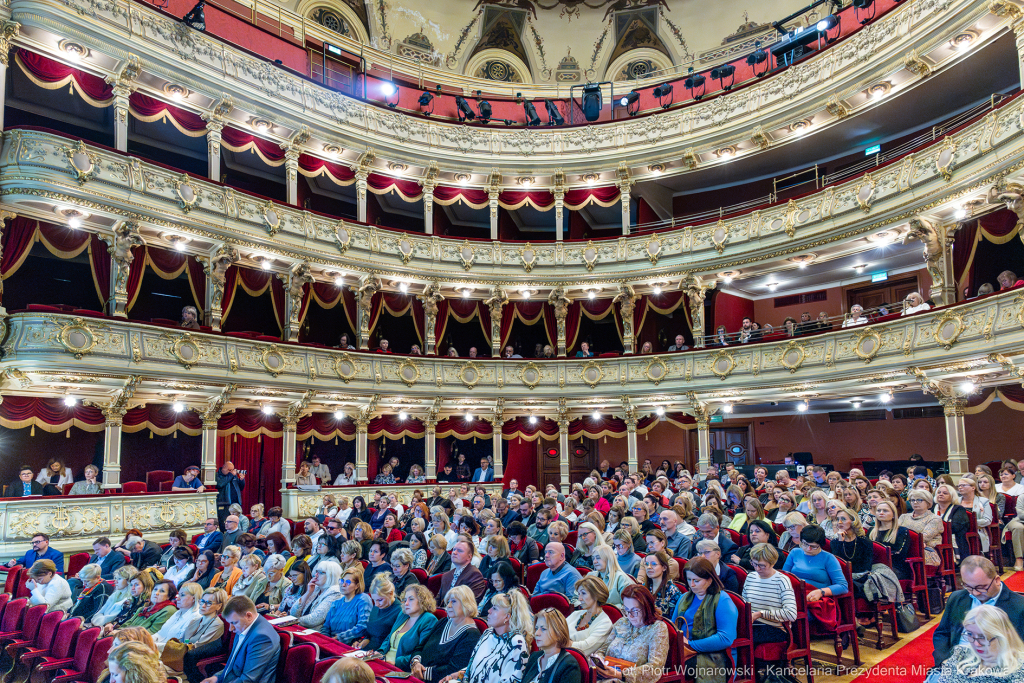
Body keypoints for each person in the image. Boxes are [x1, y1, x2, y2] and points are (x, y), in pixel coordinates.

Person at [933, 556, 1024, 670]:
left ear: (997, 580)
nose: (975, 593)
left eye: (981, 587)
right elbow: (942, 633)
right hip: (954, 663)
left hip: (997, 667)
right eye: (968, 586)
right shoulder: (957, 598)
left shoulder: (1019, 606)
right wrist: (943, 661)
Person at [669, 557, 738, 683]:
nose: (692, 584)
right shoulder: (685, 597)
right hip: (683, 649)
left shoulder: (723, 600)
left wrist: (690, 645)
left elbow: (725, 638)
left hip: (712, 655)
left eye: (697, 580)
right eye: (689, 580)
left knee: (670, 669)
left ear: (710, 580)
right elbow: (673, 626)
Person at [449, 590, 531, 683]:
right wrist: (458, 675)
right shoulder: (488, 633)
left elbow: (511, 680)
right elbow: (475, 668)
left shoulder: (517, 643)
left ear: (507, 617)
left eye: (495, 608)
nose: (489, 611)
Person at [593, 584, 669, 683]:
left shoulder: (658, 628)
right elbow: (602, 651)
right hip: (605, 676)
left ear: (647, 608)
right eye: (626, 610)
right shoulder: (622, 622)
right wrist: (600, 664)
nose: (630, 615)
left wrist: (621, 675)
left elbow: (655, 668)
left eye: (635, 610)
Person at [198, 596, 281, 683]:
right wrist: (216, 678)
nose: (231, 629)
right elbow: (232, 665)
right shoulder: (244, 625)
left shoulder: (262, 638)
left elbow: (248, 680)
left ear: (248, 615)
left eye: (234, 622)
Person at [782, 525, 848, 633]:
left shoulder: (828, 558)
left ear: (821, 544)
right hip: (794, 595)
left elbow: (843, 586)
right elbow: (784, 576)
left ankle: (795, 643)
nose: (808, 548)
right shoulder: (795, 553)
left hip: (815, 600)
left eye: (813, 546)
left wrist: (821, 592)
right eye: (804, 544)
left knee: (791, 612)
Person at [409, 586, 482, 683]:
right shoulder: (443, 622)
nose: (449, 606)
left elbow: (454, 669)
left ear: (466, 604)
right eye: (448, 602)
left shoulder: (471, 634)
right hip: (416, 676)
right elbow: (419, 648)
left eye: (454, 601)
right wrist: (415, 663)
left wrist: (421, 673)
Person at [742, 544, 797, 656]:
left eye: (762, 566)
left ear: (772, 563)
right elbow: (744, 605)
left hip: (775, 628)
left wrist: (761, 614)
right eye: (754, 564)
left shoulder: (782, 580)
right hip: (754, 625)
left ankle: (747, 672)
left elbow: (791, 614)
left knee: (741, 637)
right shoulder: (751, 577)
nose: (757, 568)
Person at [378, 584, 438, 667]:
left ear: (422, 600)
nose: (406, 603)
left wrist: (396, 662)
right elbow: (389, 636)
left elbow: (423, 652)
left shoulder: (428, 619)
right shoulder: (403, 614)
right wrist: (380, 652)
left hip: (401, 667)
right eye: (405, 600)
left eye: (411, 599)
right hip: (384, 661)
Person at [523, 608, 583, 683]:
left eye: (543, 629)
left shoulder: (569, 665)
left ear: (558, 633)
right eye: (536, 628)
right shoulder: (534, 657)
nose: (537, 633)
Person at [564, 574, 615, 656]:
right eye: (579, 594)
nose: (579, 598)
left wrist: (561, 643)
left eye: (583, 593)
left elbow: (585, 648)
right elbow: (557, 632)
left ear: (596, 595)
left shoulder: (605, 623)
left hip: (578, 663)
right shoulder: (576, 614)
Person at [293, 560, 344, 630]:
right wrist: (308, 593)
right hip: (302, 628)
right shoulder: (315, 588)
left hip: (318, 634)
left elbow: (315, 619)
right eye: (316, 572)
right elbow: (293, 612)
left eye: (320, 573)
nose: (316, 575)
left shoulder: (335, 593)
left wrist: (294, 621)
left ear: (331, 575)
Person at [153, 582, 203, 652]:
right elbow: (160, 634)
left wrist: (152, 645)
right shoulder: (177, 613)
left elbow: (179, 645)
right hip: (159, 649)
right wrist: (146, 640)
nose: (177, 599)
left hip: (171, 655)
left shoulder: (196, 618)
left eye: (182, 595)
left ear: (193, 598)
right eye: (178, 595)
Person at [900, 489, 944, 568]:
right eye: (912, 500)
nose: (915, 502)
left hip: (926, 552)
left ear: (928, 502)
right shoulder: (903, 517)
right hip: (905, 547)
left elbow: (923, 537)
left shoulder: (934, 519)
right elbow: (894, 533)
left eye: (919, 500)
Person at [870, 501, 912, 581]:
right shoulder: (871, 531)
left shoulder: (902, 531)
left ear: (893, 514)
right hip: (874, 566)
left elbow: (900, 553)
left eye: (885, 511)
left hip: (895, 568)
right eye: (878, 511)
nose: (881, 513)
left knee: (873, 577)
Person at [639, 550, 683, 616]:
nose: (649, 567)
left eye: (653, 564)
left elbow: (674, 620)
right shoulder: (643, 587)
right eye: (646, 564)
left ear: (664, 567)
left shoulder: (672, 591)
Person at [215, 462, 245, 528]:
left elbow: (241, 487)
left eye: (232, 470)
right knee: (225, 522)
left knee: (236, 522)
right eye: (229, 470)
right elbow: (220, 484)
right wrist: (231, 475)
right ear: (224, 468)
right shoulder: (217, 475)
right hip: (224, 503)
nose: (231, 472)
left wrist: (241, 480)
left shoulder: (233, 475)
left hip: (236, 502)